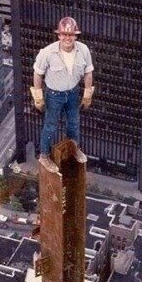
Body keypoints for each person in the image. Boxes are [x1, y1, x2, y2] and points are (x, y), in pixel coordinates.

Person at [30, 17, 94, 173]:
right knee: (50, 126)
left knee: (73, 123)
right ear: (59, 35)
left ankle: (74, 149)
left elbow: (88, 72)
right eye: (64, 34)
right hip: (53, 95)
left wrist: (87, 94)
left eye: (71, 34)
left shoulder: (83, 50)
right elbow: (38, 74)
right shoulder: (48, 52)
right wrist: (38, 97)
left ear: (75, 35)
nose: (67, 38)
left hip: (72, 93)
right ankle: (44, 156)